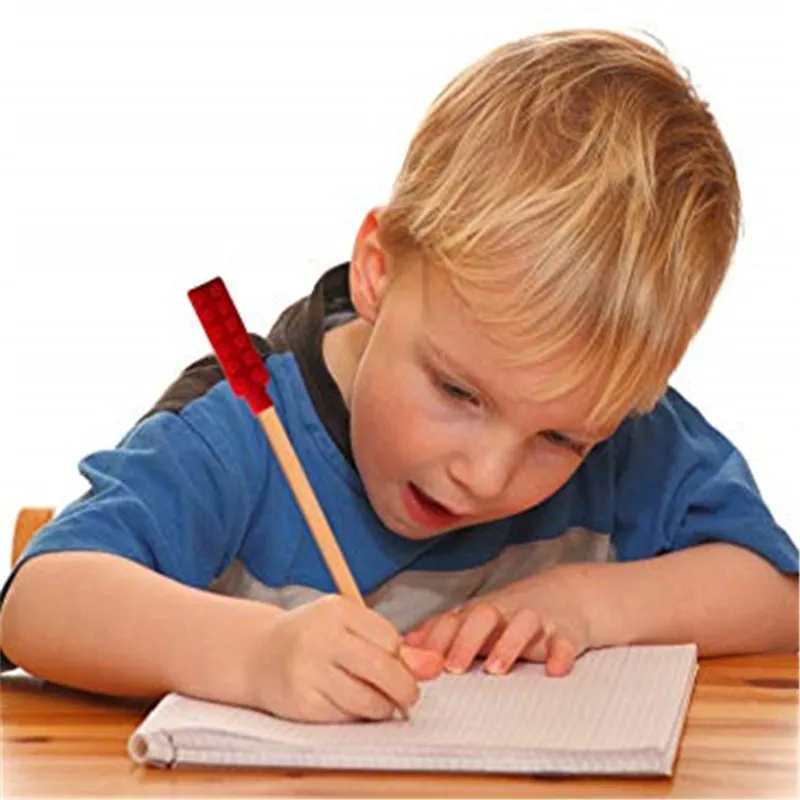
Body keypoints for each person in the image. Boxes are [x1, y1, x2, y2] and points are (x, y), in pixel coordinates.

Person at [1, 29, 797, 724]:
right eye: (458, 392)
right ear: (377, 272)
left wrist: (586, 604)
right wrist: (257, 654)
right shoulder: (239, 429)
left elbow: (779, 597)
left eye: (560, 439)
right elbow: (38, 602)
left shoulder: (619, 431)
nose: (486, 477)